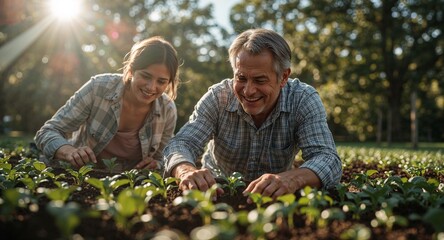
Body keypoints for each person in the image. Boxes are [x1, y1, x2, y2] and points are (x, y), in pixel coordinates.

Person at [163, 28, 342, 201]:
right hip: (218, 192)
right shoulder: (218, 97)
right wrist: (185, 170)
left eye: (260, 80)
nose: (248, 91)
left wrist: (292, 179)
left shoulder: (303, 99)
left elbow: (327, 158)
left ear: (284, 77)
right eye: (241, 78)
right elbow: (182, 143)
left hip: (274, 197)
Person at [35, 36, 179, 173]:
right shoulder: (98, 88)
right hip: (79, 175)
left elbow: (163, 156)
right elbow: (48, 131)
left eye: (161, 81)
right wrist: (68, 151)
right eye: (146, 76)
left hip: (129, 186)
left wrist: (157, 163)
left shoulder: (167, 109)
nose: (151, 87)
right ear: (131, 71)